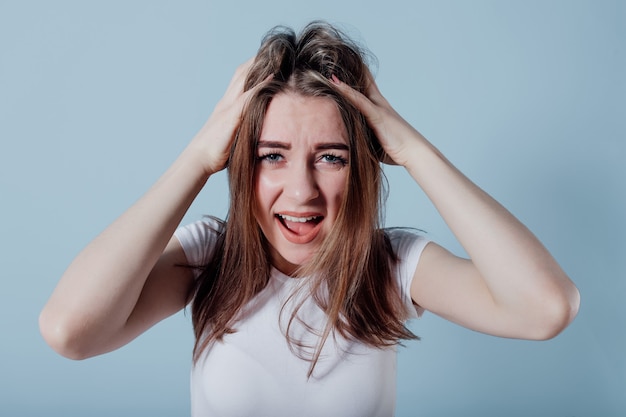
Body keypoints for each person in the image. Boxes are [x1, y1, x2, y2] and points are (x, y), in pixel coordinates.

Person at [39, 22, 580, 416]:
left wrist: (413, 149)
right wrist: (198, 157)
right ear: (239, 161)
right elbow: (69, 331)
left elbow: (546, 308)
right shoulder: (210, 258)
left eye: (331, 157)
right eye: (271, 155)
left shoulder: (390, 266)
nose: (302, 191)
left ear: (362, 165)